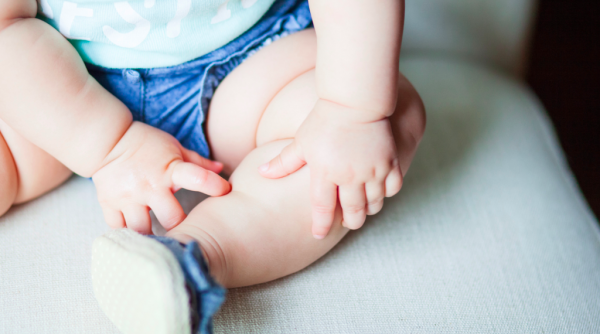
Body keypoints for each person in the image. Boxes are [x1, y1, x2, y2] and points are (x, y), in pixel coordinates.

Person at [0, 0, 425, 333]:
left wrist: (351, 110)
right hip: (64, 90)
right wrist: (105, 145)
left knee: (383, 119)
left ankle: (194, 256)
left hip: (252, 64)